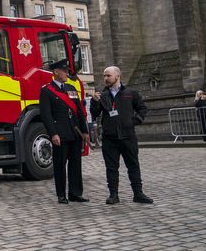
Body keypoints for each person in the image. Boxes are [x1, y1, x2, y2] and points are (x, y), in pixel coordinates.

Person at [90, 66, 153, 205]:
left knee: (133, 165)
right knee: (111, 168)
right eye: (104, 76)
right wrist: (94, 102)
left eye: (108, 76)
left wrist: (135, 121)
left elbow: (142, 108)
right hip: (110, 138)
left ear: (117, 76)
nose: (105, 78)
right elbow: (94, 114)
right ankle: (113, 195)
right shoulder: (103, 95)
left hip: (128, 136)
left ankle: (138, 193)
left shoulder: (130, 93)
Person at [39, 59, 90, 204]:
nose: (67, 73)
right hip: (60, 134)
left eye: (67, 70)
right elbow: (46, 115)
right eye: (64, 70)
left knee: (76, 164)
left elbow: (79, 111)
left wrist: (85, 131)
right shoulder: (46, 91)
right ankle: (61, 194)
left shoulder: (71, 89)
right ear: (56, 72)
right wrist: (53, 133)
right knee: (60, 165)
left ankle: (75, 193)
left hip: (75, 132)